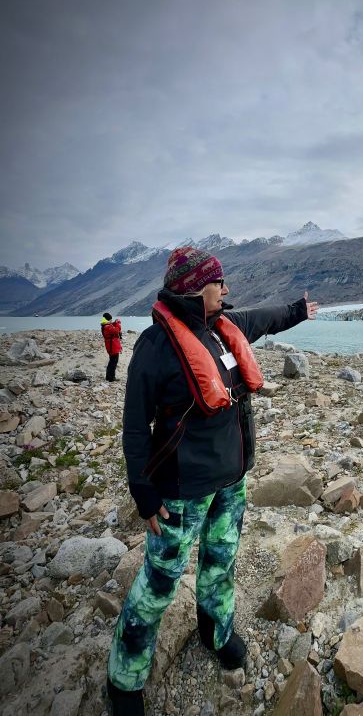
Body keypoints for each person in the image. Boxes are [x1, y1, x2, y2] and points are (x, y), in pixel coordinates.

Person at [106, 246, 318, 715]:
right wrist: (143, 492)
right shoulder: (155, 346)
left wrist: (298, 311)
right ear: (195, 288)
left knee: (221, 564)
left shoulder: (224, 326)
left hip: (230, 483)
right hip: (181, 491)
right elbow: (135, 426)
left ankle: (215, 632)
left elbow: (265, 318)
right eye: (218, 282)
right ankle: (124, 678)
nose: (226, 289)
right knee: (159, 583)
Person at [101, 313, 123, 382]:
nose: (111, 321)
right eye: (110, 320)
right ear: (108, 320)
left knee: (112, 361)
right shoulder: (107, 327)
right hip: (112, 346)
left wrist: (114, 323)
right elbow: (116, 330)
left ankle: (108, 376)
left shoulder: (105, 325)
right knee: (113, 362)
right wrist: (118, 323)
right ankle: (111, 378)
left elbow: (112, 326)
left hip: (111, 346)